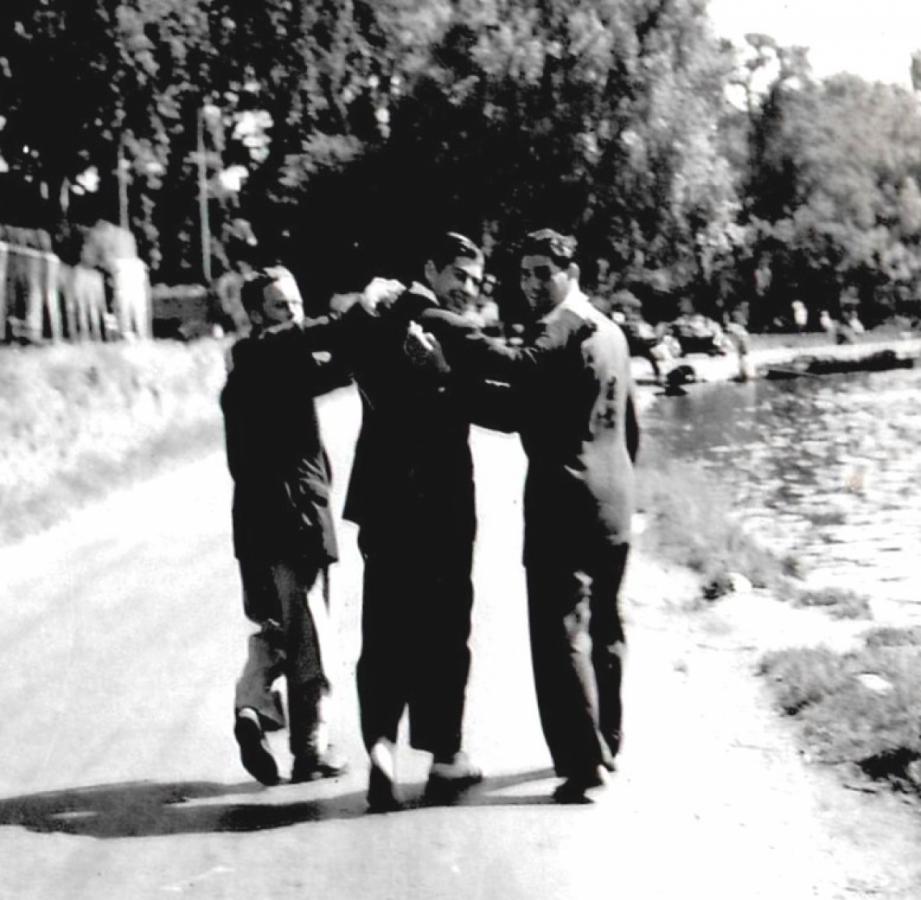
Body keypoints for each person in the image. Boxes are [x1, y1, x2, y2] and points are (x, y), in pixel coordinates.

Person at [409, 229, 639, 803]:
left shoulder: (561, 327)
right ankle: (607, 742)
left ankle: (584, 767)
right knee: (607, 629)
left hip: (565, 502)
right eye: (526, 273)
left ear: (572, 273)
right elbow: (524, 411)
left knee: (562, 635)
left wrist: (439, 343)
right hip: (615, 500)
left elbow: (513, 368)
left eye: (545, 272)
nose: (534, 284)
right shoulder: (609, 331)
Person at [221, 266, 347, 786]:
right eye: (281, 307)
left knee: (276, 629)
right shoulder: (267, 357)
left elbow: (336, 368)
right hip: (295, 518)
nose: (294, 314)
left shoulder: (250, 365)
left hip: (253, 523)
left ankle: (252, 704)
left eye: (297, 303)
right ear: (256, 316)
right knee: (311, 636)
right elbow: (327, 360)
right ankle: (310, 750)